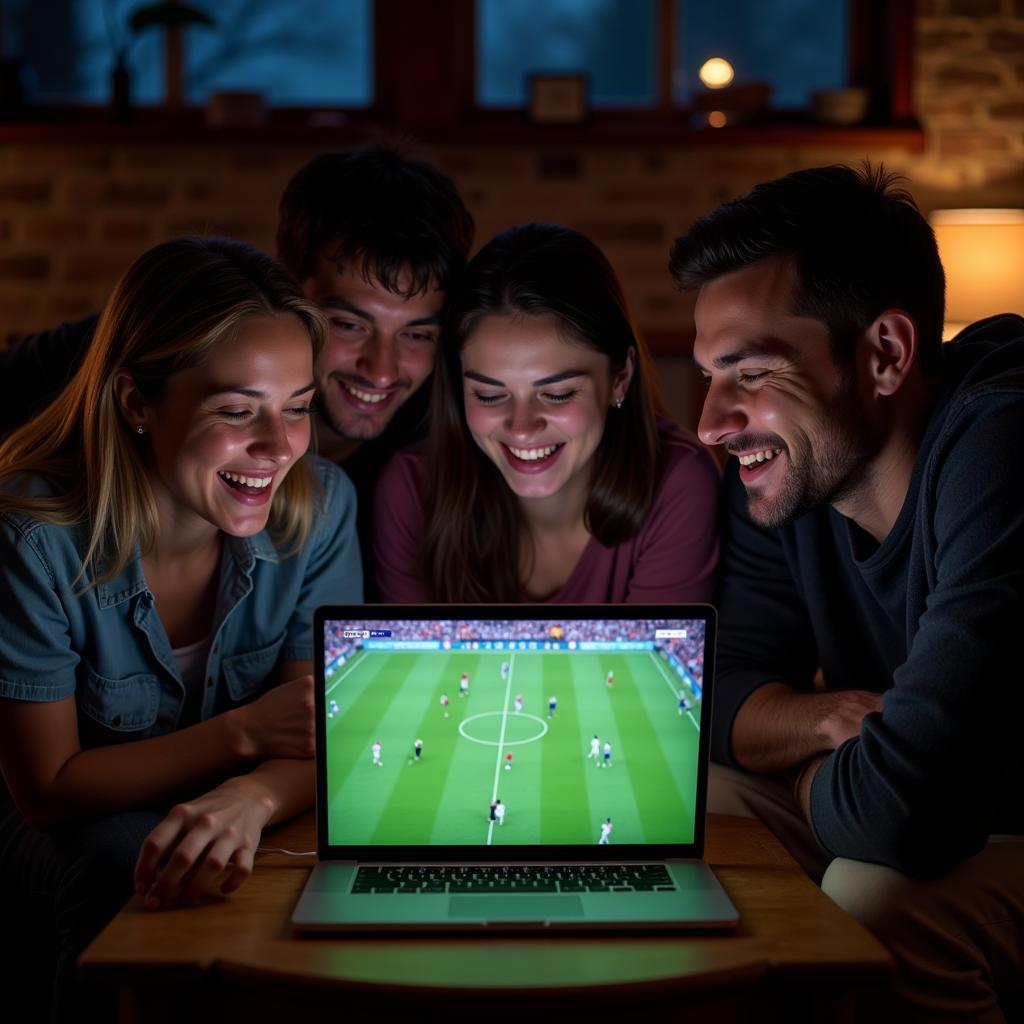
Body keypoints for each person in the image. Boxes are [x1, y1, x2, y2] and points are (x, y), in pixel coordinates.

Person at [670, 163, 1024, 1021]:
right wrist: (819, 724)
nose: (713, 422)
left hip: (1006, 818)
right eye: (709, 375)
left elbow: (909, 814)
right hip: (918, 794)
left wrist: (808, 778)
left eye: (749, 373)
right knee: (692, 803)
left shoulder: (1003, 446)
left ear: (886, 355)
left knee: (879, 900)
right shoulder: (789, 472)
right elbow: (708, 696)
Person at [0, 237, 361, 1022]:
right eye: (237, 411)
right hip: (57, 815)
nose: (279, 449)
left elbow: (317, 738)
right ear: (137, 402)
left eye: (298, 408)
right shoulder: (34, 536)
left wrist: (251, 796)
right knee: (127, 862)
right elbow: (49, 790)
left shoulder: (321, 507)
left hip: (225, 795)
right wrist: (239, 737)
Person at [0, 145, 474, 589]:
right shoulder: (158, 346)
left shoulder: (439, 440)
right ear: (288, 294)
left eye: (416, 335)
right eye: (349, 325)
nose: (382, 370)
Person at [374, 223, 719, 603]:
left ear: (620, 378)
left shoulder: (678, 481)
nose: (521, 428)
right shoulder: (410, 489)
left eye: (557, 394)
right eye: (489, 395)